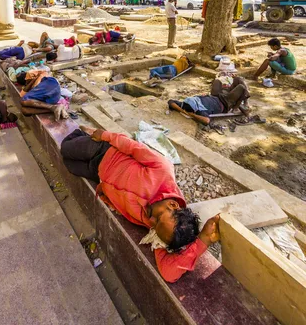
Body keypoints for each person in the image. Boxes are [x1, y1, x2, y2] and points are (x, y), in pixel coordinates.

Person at [61, 127, 220, 283]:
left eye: (155, 227)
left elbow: (169, 273)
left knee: (69, 164)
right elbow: (133, 147)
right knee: (66, 148)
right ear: (172, 204)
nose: (150, 223)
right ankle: (85, 133)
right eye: (157, 218)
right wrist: (106, 135)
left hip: (98, 175)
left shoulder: (163, 229)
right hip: (104, 151)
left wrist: (203, 241)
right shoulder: (163, 170)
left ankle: (84, 138)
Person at [168, 77, 250, 126]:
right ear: (194, 109)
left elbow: (170, 102)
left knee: (219, 81)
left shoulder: (183, 104)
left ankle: (242, 99)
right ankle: (242, 104)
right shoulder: (200, 111)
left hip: (216, 95)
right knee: (241, 87)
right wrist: (192, 115)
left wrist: (182, 111)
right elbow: (206, 121)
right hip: (225, 102)